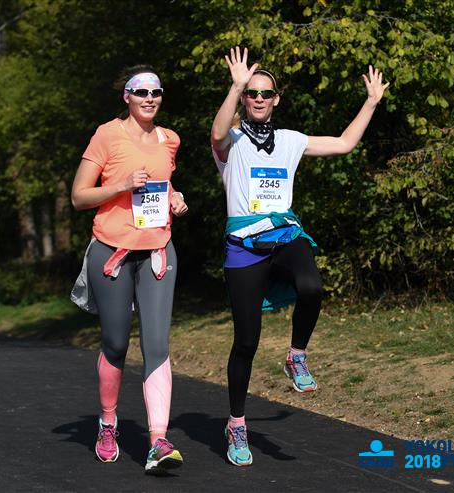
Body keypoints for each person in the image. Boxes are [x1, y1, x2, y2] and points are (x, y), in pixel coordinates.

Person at [210, 47, 389, 466]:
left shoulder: (290, 141)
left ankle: (297, 356)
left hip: (285, 234)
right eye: (251, 93)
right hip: (244, 245)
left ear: (276, 99)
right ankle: (236, 423)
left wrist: (371, 102)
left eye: (265, 93)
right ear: (244, 98)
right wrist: (234, 86)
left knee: (312, 286)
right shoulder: (232, 141)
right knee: (246, 342)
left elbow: (344, 143)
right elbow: (216, 134)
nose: (258, 98)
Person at [70, 65, 189, 475]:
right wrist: (121, 185)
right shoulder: (107, 134)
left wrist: (175, 197)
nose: (149, 98)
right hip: (112, 252)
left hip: (158, 251)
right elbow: (79, 196)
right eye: (141, 91)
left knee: (157, 344)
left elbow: (162, 184)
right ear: (127, 96)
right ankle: (108, 424)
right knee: (116, 342)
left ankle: (158, 440)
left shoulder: (169, 139)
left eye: (156, 91)